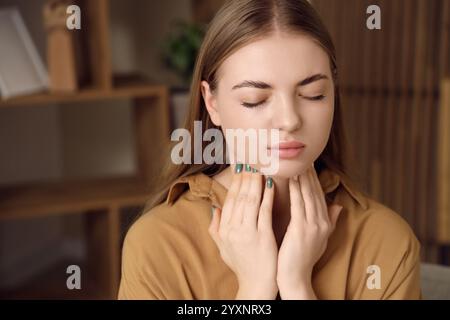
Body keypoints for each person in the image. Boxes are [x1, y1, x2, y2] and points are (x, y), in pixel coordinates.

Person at [118, 0, 421, 300]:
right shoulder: (157, 245)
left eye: (313, 94)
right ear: (212, 103)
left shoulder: (386, 241)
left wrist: (297, 285)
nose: (289, 120)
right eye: (255, 99)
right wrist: (255, 289)